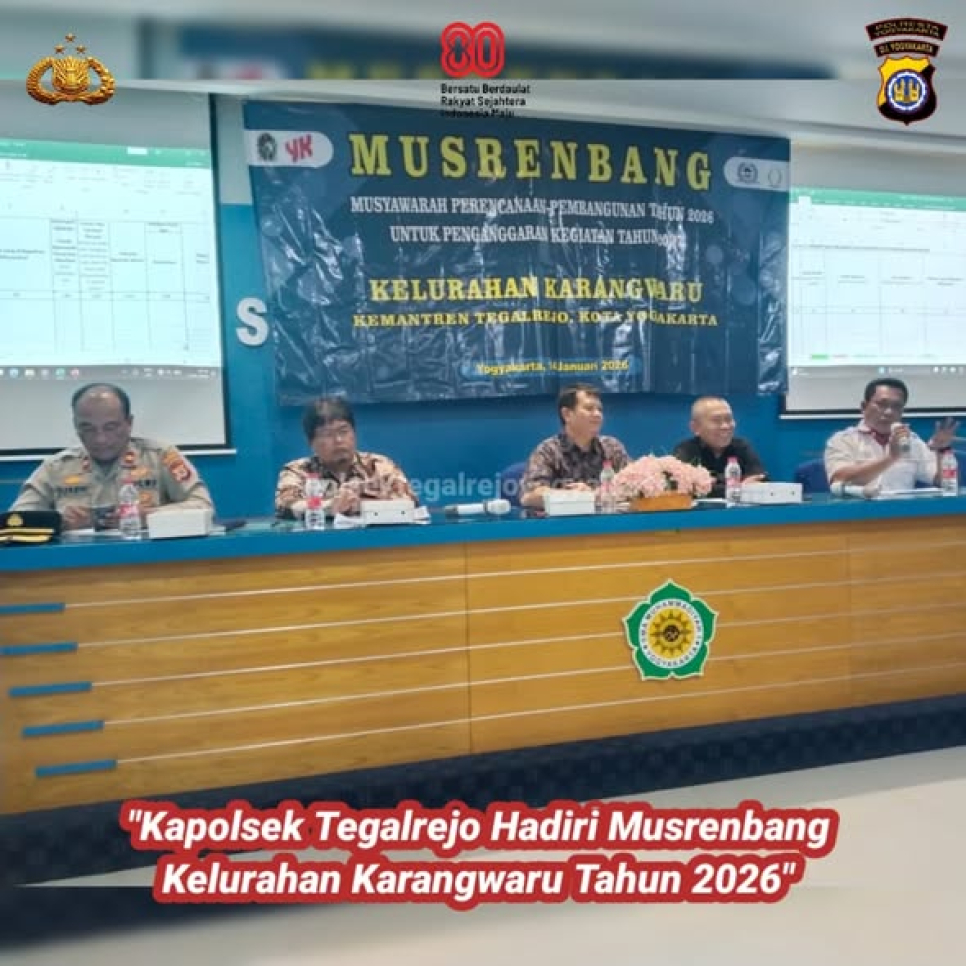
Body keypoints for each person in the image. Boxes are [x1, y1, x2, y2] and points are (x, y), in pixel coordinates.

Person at [10, 383, 214, 530]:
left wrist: (149, 517)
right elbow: (15, 520)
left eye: (110, 427)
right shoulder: (55, 468)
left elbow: (203, 507)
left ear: (129, 423)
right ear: (76, 426)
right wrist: (59, 521)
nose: (100, 439)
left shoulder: (160, 457)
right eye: (88, 428)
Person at [275, 396, 416, 518]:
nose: (338, 440)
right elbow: (285, 504)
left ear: (354, 433)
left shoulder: (379, 466)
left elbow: (409, 502)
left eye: (343, 431)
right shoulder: (298, 470)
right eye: (327, 434)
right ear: (311, 442)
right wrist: (328, 506)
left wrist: (361, 505)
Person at [824, 377, 959, 491]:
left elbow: (942, 482)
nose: (889, 412)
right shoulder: (843, 440)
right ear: (864, 407)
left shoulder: (912, 441)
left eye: (896, 406)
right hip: (857, 512)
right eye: (882, 404)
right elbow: (839, 479)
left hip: (901, 512)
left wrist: (942, 451)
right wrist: (891, 457)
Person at [520, 384, 630, 509]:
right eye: (589, 408)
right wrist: (573, 496)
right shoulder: (548, 451)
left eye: (600, 410)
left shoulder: (612, 447)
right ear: (567, 414)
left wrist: (594, 494)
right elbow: (529, 496)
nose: (597, 414)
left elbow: (634, 485)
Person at [672, 396, 766, 498]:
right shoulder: (685, 450)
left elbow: (760, 480)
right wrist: (740, 487)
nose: (725, 426)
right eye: (716, 421)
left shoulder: (741, 446)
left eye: (729, 419)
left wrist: (714, 485)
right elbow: (688, 487)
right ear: (695, 428)